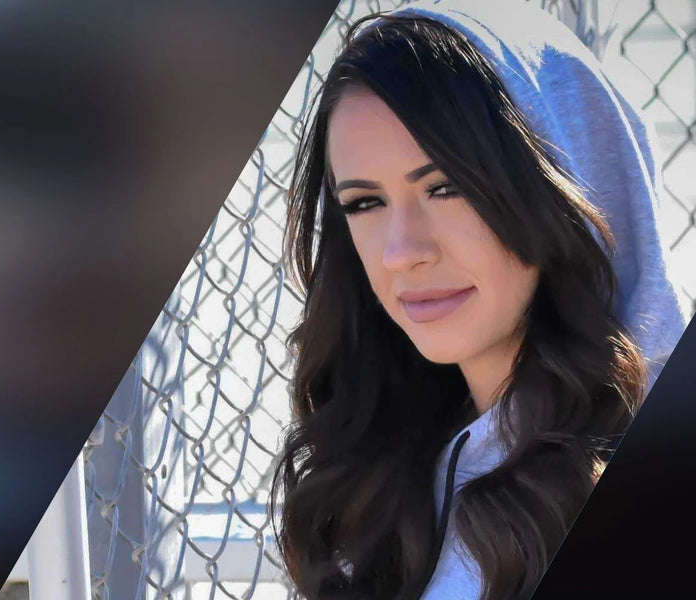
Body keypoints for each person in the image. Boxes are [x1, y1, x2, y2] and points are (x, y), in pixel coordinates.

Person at [270, 1, 688, 599]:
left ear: (566, 183)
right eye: (365, 202)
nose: (400, 252)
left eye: (446, 188)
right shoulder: (382, 481)